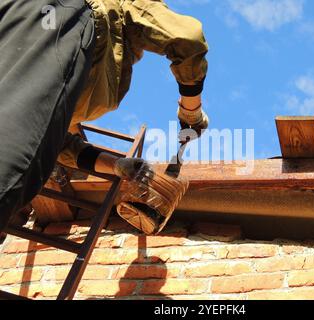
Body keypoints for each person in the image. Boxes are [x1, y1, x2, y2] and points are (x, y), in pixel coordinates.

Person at [0, 0, 209, 234]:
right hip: (62, 19)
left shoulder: (46, 97)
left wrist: (117, 165)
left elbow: (54, 142)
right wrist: (191, 112)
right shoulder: (117, 5)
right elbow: (187, 38)